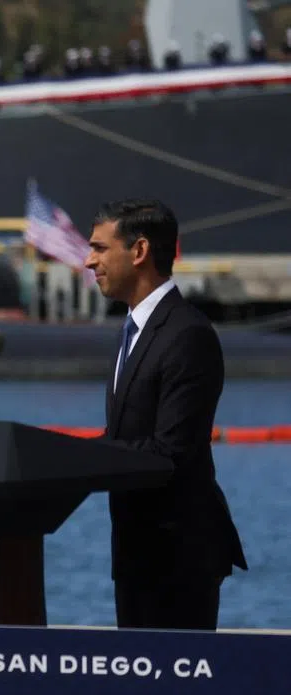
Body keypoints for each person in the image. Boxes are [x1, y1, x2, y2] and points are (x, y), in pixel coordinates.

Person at [86, 199, 246, 630]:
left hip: (179, 559)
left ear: (138, 252)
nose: (89, 260)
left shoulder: (186, 334)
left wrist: (80, 461)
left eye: (100, 248)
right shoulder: (132, 332)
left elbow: (170, 451)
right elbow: (126, 432)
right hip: (137, 556)